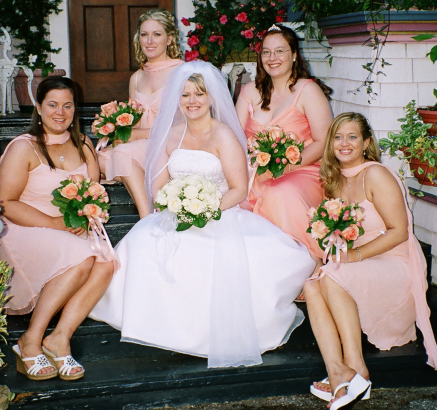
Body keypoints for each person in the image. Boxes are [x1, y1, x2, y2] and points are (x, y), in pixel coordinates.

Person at [89, 60, 317, 368]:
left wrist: (208, 208)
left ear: (211, 98)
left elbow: (237, 188)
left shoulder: (224, 135)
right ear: (176, 100)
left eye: (199, 94)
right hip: (177, 212)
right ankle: (155, 321)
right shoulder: (171, 135)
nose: (192, 101)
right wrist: (175, 205)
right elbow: (158, 188)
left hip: (221, 214)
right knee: (141, 241)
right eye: (184, 95)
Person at [303, 113, 437, 409]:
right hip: (362, 265)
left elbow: (400, 232)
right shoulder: (335, 181)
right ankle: (337, 371)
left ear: (366, 143)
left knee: (331, 276)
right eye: (338, 137)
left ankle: (356, 368)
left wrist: (354, 256)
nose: (344, 143)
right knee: (312, 286)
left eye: (352, 137)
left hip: (395, 264)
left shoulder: (376, 174)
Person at [0, 76, 119, 381]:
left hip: (68, 231)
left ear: (76, 109)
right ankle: (30, 340)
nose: (60, 112)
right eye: (52, 104)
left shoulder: (83, 144)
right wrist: (54, 223)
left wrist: (86, 215)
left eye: (67, 105)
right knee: (80, 258)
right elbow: (5, 203)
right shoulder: (24, 147)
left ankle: (59, 337)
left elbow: (93, 192)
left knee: (106, 262)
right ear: (38, 107)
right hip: (23, 229)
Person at [235, 24, 333, 261]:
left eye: (280, 51)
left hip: (303, 170)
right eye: (266, 52)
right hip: (254, 173)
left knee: (282, 193)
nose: (272, 58)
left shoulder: (307, 91)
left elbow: (323, 142)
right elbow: (235, 140)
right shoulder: (249, 92)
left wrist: (285, 168)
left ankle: (310, 260)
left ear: (294, 54)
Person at [97, 8, 184, 219]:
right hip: (141, 145)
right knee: (98, 157)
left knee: (122, 155)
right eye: (144, 35)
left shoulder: (180, 72)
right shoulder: (136, 77)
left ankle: (146, 217)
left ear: (170, 39)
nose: (150, 41)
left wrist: (135, 137)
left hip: (170, 142)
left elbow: (182, 124)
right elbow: (132, 122)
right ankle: (151, 209)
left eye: (157, 34)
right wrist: (116, 131)